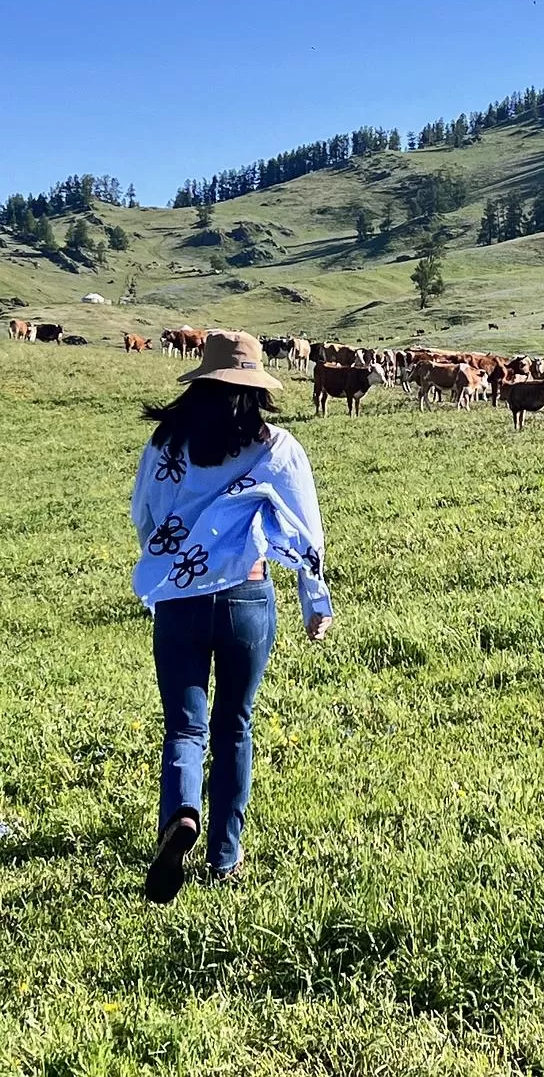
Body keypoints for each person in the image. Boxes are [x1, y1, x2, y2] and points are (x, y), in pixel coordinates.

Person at [131, 329, 332, 903]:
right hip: (247, 595)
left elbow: (145, 515)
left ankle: (181, 812)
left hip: (180, 600)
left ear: (201, 382)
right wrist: (315, 601)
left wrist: (169, 563)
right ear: (257, 389)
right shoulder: (276, 447)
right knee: (235, 725)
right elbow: (305, 528)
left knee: (184, 725)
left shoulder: (167, 444)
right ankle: (225, 856)